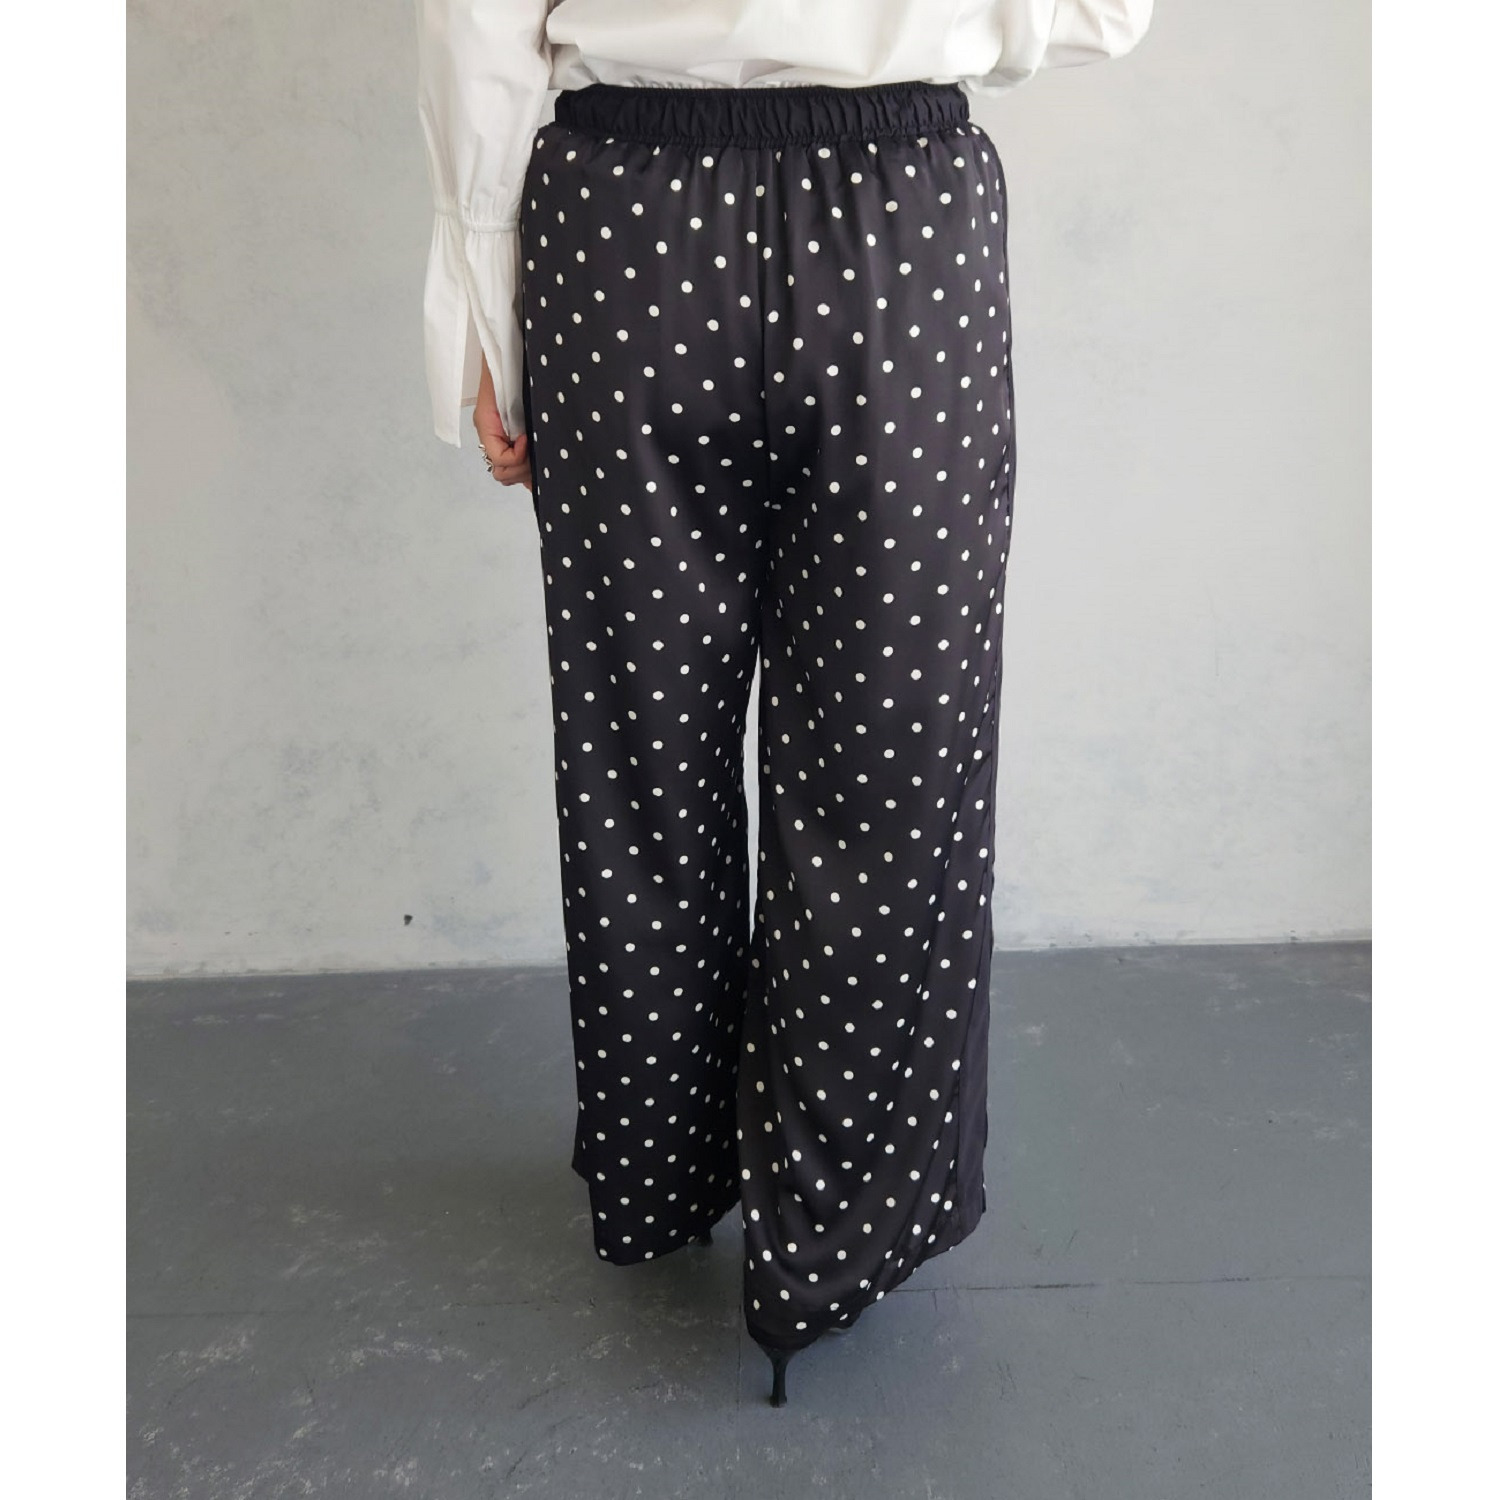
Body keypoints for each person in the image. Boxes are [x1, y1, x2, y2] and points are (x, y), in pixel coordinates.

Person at [414, 0, 1154, 1409]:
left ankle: (661, 1171)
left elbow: (478, 24)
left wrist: (482, 300)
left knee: (643, 757)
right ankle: (840, 1230)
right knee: (890, 764)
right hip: (896, 222)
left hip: (623, 226)